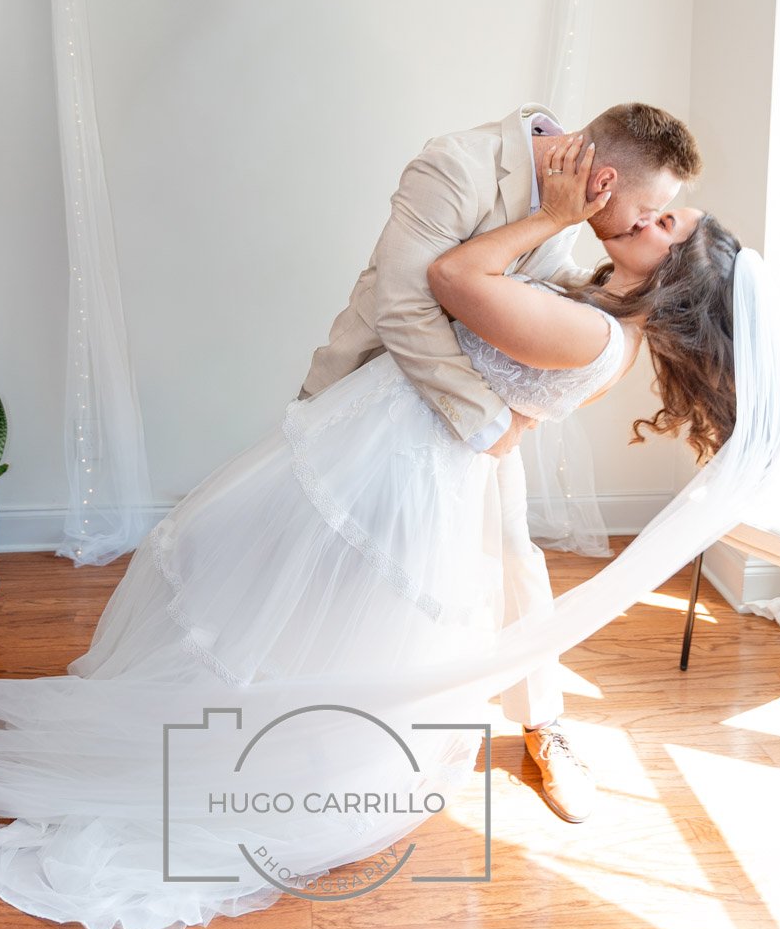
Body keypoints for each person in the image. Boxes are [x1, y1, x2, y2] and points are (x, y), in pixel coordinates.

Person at [0, 130, 780, 929]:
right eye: (670, 213)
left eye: (675, 234)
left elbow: (453, 280)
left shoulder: (593, 333)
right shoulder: (596, 317)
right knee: (296, 610)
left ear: (677, 294)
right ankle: (241, 726)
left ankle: (249, 753)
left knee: (311, 612)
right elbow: (515, 404)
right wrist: (504, 410)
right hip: (407, 447)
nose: (657, 221)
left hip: (399, 462)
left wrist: (545, 213)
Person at [297, 100, 704, 822]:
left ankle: (542, 727)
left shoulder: (581, 201)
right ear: (604, 180)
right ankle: (313, 720)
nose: (647, 229)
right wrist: (490, 423)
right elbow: (403, 306)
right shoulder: (456, 164)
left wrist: (508, 414)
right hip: (383, 399)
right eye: (649, 213)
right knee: (347, 570)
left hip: (473, 419)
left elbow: (540, 295)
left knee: (511, 562)